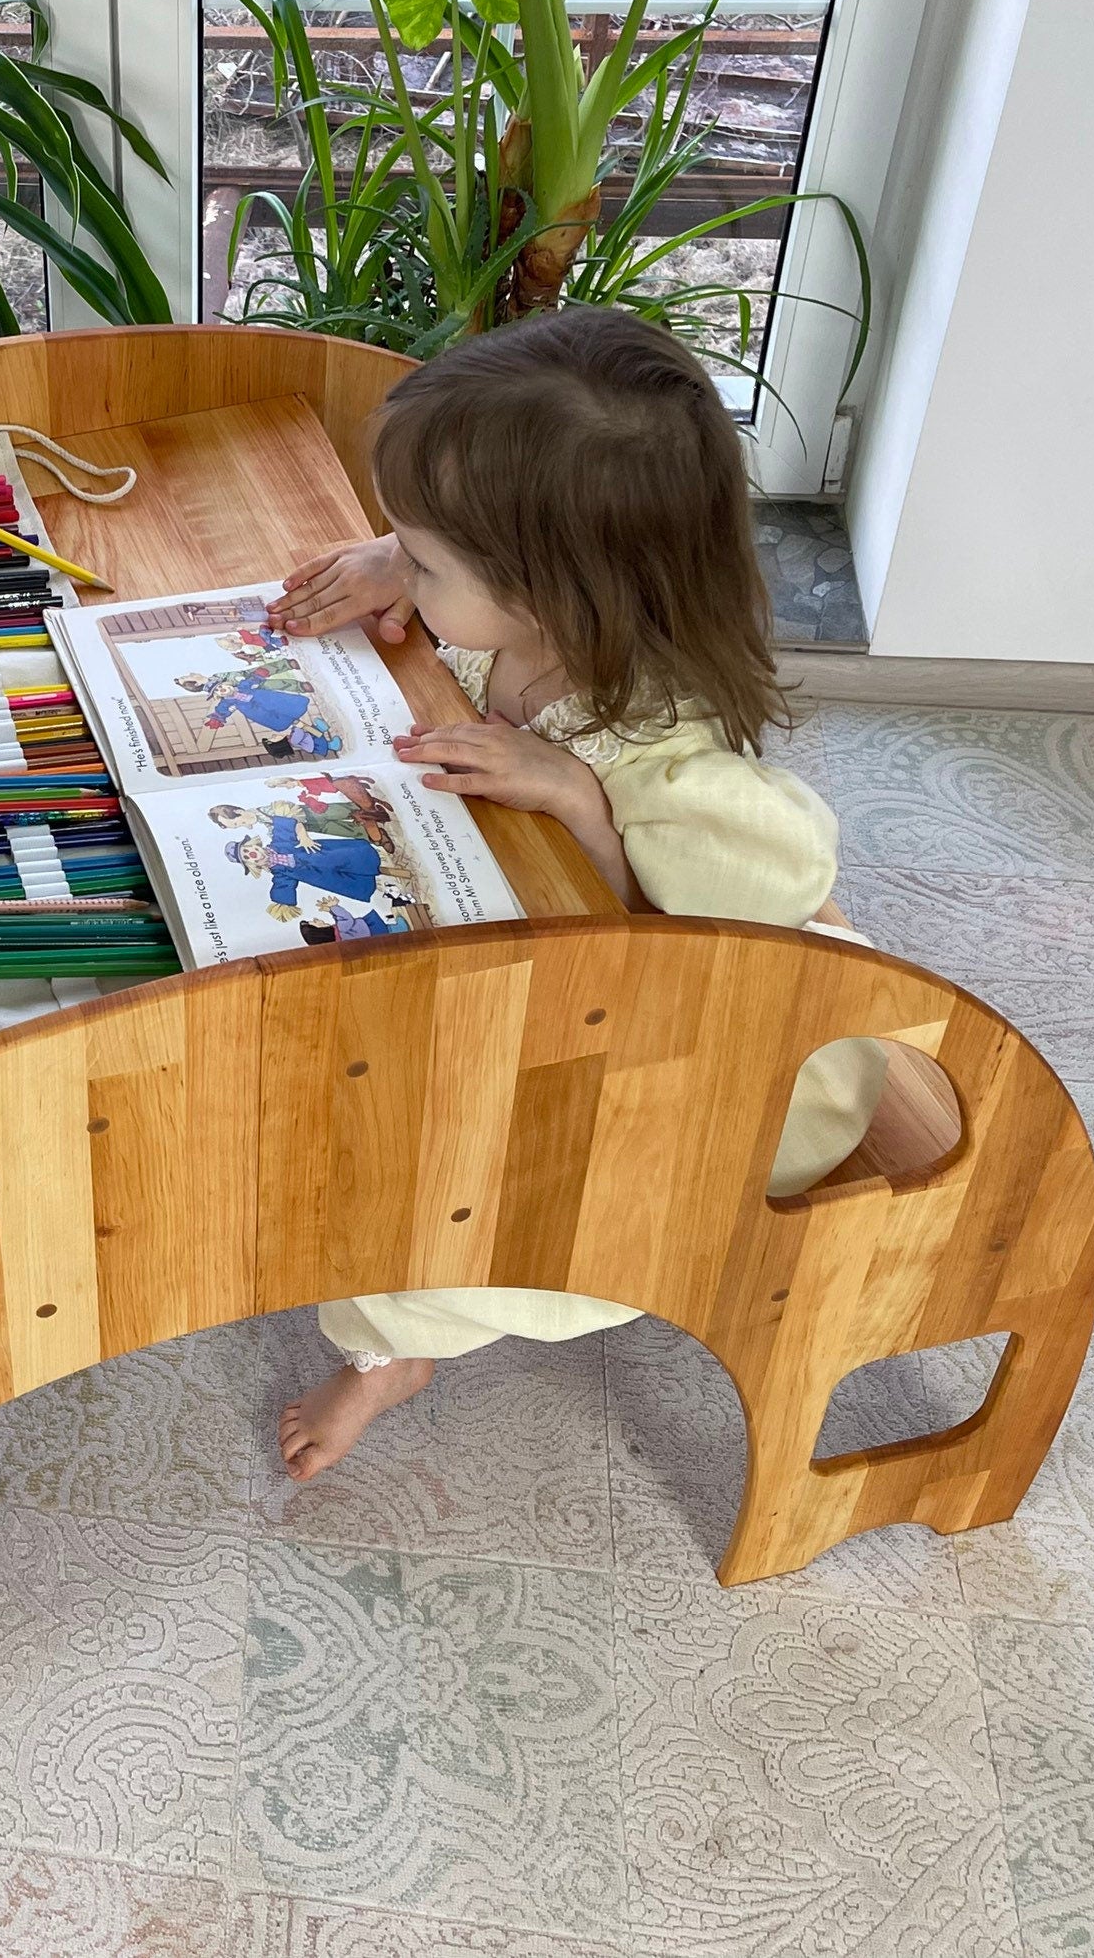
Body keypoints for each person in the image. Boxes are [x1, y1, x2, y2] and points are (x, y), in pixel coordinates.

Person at [267, 306, 888, 1481]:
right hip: (565, 977)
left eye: (429, 559)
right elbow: (461, 586)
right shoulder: (539, 611)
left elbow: (718, 940)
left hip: (716, 1063)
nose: (407, 566)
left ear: (545, 588)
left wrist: (584, 809)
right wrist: (396, 564)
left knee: (422, 1185)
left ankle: (392, 1350)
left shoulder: (674, 763)